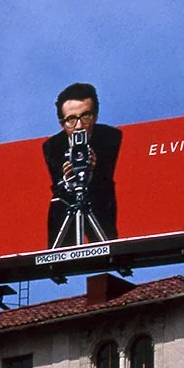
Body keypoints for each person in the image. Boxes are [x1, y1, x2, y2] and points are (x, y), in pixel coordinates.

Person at [42, 82, 122, 248]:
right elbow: (55, 189)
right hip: (67, 205)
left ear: (96, 115)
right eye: (71, 119)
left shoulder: (112, 138)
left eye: (86, 116)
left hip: (101, 204)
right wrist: (66, 178)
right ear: (62, 123)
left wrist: (94, 172)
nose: (79, 125)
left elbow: (114, 180)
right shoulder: (52, 146)